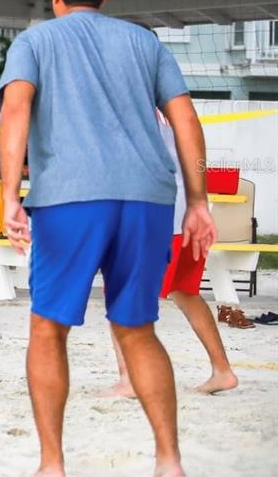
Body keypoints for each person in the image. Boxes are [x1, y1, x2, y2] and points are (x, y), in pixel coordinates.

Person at [0, 0, 216, 477]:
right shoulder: (143, 41)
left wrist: (9, 194)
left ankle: (52, 466)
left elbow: (17, 107)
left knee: (48, 330)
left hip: (72, 196)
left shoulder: (35, 41)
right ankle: (169, 462)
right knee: (137, 329)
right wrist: (199, 200)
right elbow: (184, 115)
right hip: (147, 197)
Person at [101, 111, 237, 398]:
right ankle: (222, 370)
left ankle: (129, 379)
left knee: (121, 292)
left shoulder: (130, 105)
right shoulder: (177, 106)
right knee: (185, 292)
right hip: (190, 211)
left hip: (158, 213)